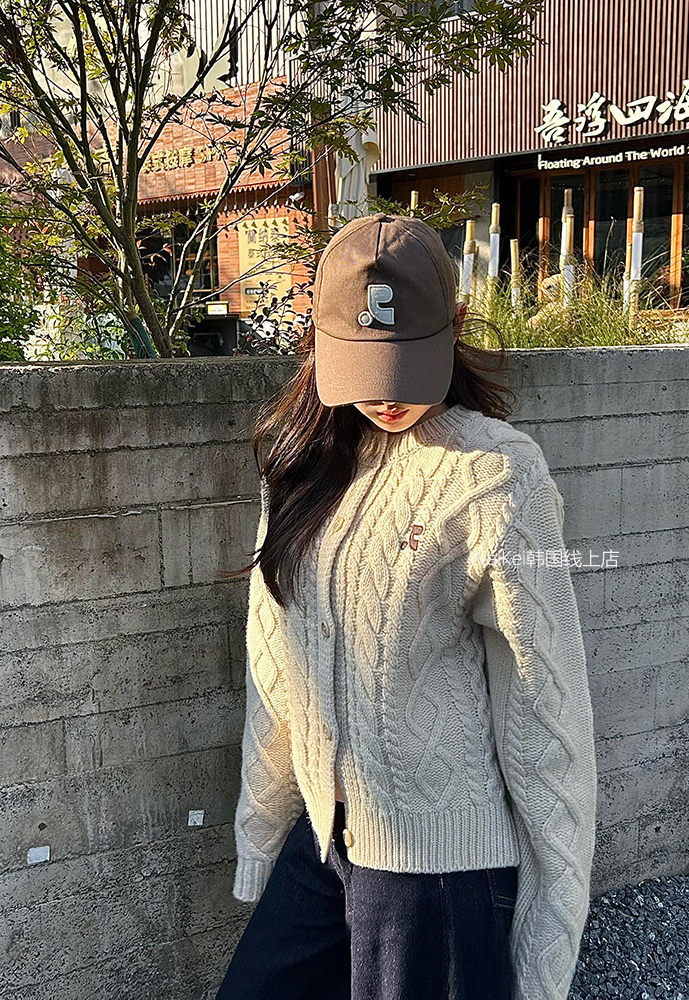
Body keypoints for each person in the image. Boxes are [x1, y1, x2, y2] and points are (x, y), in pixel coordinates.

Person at [216, 212, 598, 1000]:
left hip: (439, 874)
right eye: (364, 367)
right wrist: (261, 823)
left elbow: (546, 713)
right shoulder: (301, 466)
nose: (387, 397)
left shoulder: (499, 476)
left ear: (454, 326)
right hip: (323, 842)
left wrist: (551, 931)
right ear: (318, 340)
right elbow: (274, 666)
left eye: (406, 365)